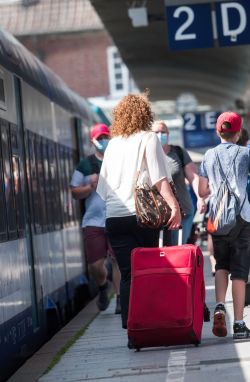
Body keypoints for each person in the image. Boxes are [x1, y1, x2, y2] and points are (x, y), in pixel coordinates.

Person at [96, 93, 181, 330]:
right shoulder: (148, 138)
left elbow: (102, 188)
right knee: (147, 270)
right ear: (145, 114)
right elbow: (159, 178)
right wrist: (174, 206)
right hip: (143, 217)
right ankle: (149, 321)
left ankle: (131, 328)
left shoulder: (112, 144)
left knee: (127, 274)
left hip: (114, 217)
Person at [198, 111, 250, 340]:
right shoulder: (246, 152)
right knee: (239, 272)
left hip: (218, 219)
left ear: (218, 131)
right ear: (238, 133)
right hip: (242, 217)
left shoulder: (208, 156)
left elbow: (202, 190)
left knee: (221, 265)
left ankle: (220, 305)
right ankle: (239, 324)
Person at [71, 124, 122, 312]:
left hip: (115, 216)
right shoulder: (85, 165)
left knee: (117, 260)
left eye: (106, 137)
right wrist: (89, 186)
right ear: (92, 141)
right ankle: (102, 287)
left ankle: (119, 299)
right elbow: (74, 192)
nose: (103, 141)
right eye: (99, 138)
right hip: (93, 221)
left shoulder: (119, 161)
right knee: (95, 266)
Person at [151, 120, 204, 245]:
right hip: (157, 215)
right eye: (156, 132)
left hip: (182, 212)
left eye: (163, 132)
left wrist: (200, 197)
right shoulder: (148, 155)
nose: (160, 135)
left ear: (168, 134)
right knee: (159, 254)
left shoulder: (178, 152)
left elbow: (193, 177)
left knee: (176, 250)